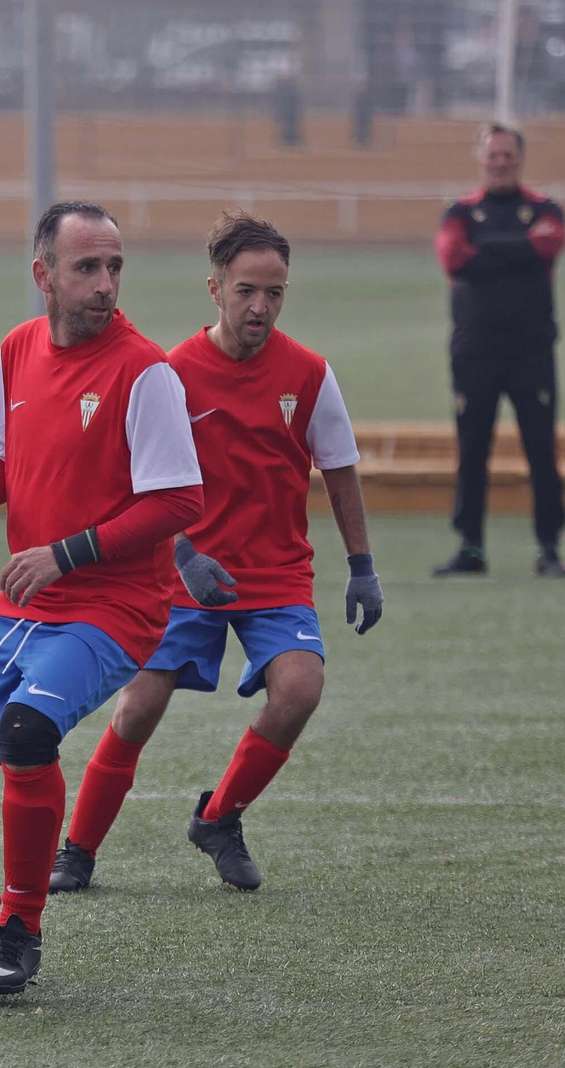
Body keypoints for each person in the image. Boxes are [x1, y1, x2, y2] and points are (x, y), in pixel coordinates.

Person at [0, 202, 204, 995]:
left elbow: (179, 502)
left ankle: (20, 934)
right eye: (87, 267)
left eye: (115, 267)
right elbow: (5, 467)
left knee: (26, 731)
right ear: (44, 276)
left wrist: (65, 554)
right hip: (31, 599)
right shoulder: (18, 348)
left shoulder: (146, 371)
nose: (105, 284)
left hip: (117, 606)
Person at [50, 211, 384, 896]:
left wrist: (362, 566)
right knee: (138, 707)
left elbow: (340, 469)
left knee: (301, 691)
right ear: (215, 289)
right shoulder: (169, 374)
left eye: (274, 293)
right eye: (246, 291)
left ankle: (219, 817)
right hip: (182, 573)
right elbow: (137, 485)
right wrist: (183, 555)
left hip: (275, 574)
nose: (260, 306)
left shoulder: (309, 374)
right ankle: (77, 851)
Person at [432, 123, 565, 578]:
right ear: (480, 159)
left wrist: (484, 254)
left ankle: (549, 548)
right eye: (493, 155)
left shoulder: (546, 209)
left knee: (541, 450)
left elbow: (549, 242)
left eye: (508, 154)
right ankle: (471, 549)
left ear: (520, 158)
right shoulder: (459, 212)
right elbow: (454, 257)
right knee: (472, 451)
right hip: (474, 353)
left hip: (532, 352)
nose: (501, 162)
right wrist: (522, 250)